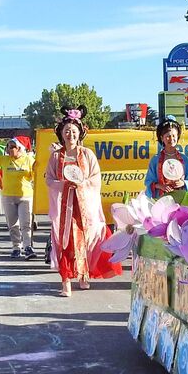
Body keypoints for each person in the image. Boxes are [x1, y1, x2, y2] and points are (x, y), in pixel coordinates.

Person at [44, 107, 120, 297]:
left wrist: (82, 184)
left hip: (83, 204)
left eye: (74, 131)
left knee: (87, 240)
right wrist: (64, 185)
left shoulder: (87, 154)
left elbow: (96, 178)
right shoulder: (56, 156)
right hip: (65, 207)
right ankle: (66, 280)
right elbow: (49, 179)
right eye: (67, 131)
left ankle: (83, 273)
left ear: (80, 134)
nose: (70, 135)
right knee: (65, 242)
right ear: (61, 133)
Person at [0, 138, 36, 259]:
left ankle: (28, 247)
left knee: (26, 224)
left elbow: (36, 174)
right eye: (8, 147)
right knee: (13, 224)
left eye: (11, 147)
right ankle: (16, 247)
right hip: (8, 196)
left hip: (25, 196)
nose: (8, 149)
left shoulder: (29, 159)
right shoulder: (4, 160)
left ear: (19, 148)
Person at [145, 117, 188, 198]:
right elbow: (149, 182)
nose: (171, 139)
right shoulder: (155, 160)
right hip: (161, 199)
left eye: (174, 136)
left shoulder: (184, 159)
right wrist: (160, 186)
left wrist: (183, 183)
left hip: (181, 199)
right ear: (162, 138)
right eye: (168, 136)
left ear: (178, 137)